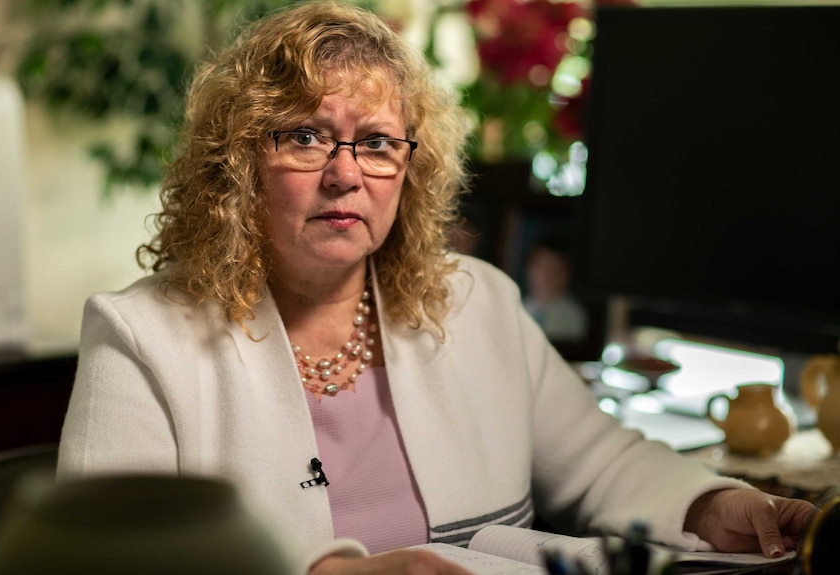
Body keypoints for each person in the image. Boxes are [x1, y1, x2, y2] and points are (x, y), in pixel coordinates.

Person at [57, 2, 816, 574]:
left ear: (409, 172)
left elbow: (603, 463)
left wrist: (714, 504)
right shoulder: (141, 335)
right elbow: (93, 557)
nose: (346, 172)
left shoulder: (477, 300)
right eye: (305, 135)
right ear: (236, 166)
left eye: (379, 143)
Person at [522, 231, 588, 343]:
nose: (546, 275)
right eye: (541, 266)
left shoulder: (574, 317)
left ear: (567, 272)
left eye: (554, 268)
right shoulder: (519, 306)